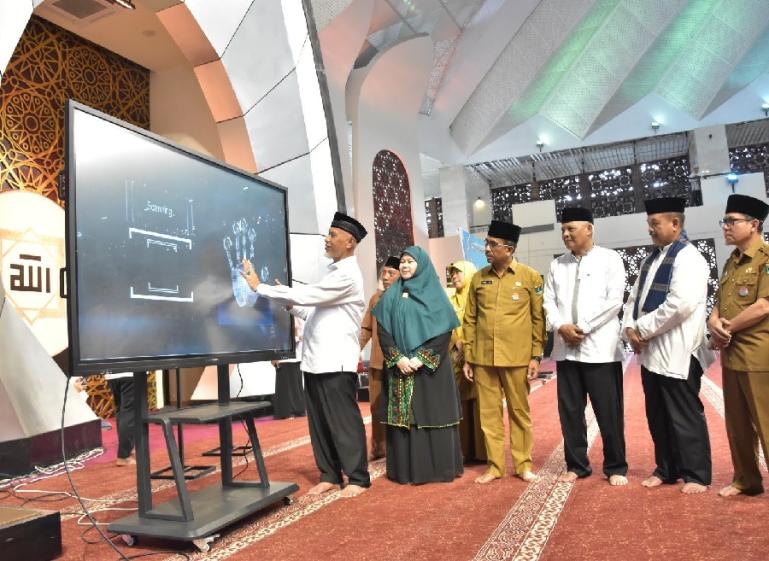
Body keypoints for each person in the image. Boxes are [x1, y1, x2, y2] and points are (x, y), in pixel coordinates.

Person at [241, 211, 370, 498]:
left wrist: (260, 288)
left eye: (332, 235)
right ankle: (330, 475)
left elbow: (309, 296)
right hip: (315, 361)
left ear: (349, 242)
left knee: (343, 422)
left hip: (335, 363)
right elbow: (310, 310)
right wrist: (286, 299)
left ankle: (358, 478)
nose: (327, 239)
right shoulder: (334, 274)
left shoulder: (348, 275)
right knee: (320, 422)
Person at [623, 197, 713, 494]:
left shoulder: (690, 258)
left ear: (675, 224)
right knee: (658, 415)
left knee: (684, 416)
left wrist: (642, 328)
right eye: (649, 224)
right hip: (650, 353)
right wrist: (629, 328)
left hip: (678, 351)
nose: (650, 229)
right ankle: (666, 469)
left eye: (655, 224)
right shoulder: (651, 259)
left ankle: (696, 475)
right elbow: (633, 299)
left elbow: (680, 305)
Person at [543, 206, 628, 486]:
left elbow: (614, 301)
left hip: (600, 350)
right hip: (566, 351)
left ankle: (616, 466)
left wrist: (584, 327)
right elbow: (549, 303)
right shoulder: (558, 265)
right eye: (563, 230)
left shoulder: (610, 259)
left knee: (609, 412)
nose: (566, 234)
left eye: (571, 229)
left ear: (589, 229)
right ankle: (576, 465)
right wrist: (561, 326)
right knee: (570, 413)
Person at [462, 220, 546, 484]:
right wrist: (469, 356)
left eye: (492, 244)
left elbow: (538, 319)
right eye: (487, 243)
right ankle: (495, 465)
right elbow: (470, 319)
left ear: (509, 249)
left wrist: (535, 355)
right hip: (484, 359)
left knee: (520, 413)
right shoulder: (479, 277)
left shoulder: (529, 277)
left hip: (517, 358)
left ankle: (523, 465)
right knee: (489, 414)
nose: (487, 248)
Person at [372, 246, 463, 484]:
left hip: (430, 370)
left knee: (432, 413)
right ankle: (405, 471)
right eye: (402, 261)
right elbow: (383, 331)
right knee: (406, 419)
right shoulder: (391, 296)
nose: (404, 265)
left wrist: (421, 358)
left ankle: (437, 470)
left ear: (421, 264)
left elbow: (444, 333)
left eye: (410, 262)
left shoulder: (435, 294)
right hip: (400, 368)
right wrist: (398, 358)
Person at [708, 194, 769, 498]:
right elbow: (719, 303)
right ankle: (746, 479)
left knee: (766, 422)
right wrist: (713, 322)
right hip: (731, 355)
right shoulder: (732, 262)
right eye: (725, 221)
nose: (726, 227)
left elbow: (763, 306)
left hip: (758, 355)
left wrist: (726, 328)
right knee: (738, 425)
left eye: (732, 221)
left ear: (754, 224)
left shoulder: (766, 259)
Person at [359, 255, 401, 460]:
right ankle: (379, 447)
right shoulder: (376, 299)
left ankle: (401, 448)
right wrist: (354, 350)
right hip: (377, 362)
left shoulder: (407, 296)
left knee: (400, 407)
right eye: (383, 273)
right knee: (376, 407)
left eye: (390, 273)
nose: (385, 277)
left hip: (400, 363)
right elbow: (366, 328)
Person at [447, 260, 486, 463]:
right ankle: (465, 452)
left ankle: (482, 452)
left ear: (469, 273)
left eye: (458, 273)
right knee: (460, 402)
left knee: (480, 402)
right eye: (452, 274)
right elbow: (446, 324)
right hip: (455, 355)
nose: (454, 277)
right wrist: (457, 342)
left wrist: (468, 343)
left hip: (477, 355)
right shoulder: (450, 299)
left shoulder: (479, 296)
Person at [272, 317, 306, 419]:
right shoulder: (281, 317)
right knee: (285, 386)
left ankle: (298, 410)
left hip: (297, 356)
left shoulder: (299, 318)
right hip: (284, 357)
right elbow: (278, 337)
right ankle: (286, 412)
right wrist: (273, 356)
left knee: (296, 385)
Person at [105, 372, 136, 466]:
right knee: (129, 412)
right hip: (130, 372)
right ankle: (124, 456)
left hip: (112, 373)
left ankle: (127, 448)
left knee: (121, 411)